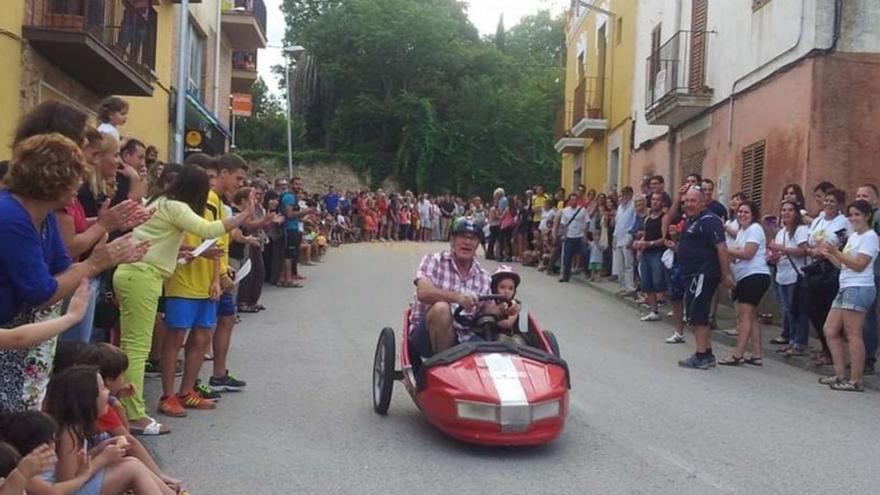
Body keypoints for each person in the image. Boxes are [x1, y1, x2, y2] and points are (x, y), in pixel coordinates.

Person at [0, 134, 147, 414]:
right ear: (55, 180)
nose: (80, 184)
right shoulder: (11, 218)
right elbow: (42, 293)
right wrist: (94, 264)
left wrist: (103, 254)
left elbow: (61, 267)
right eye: (77, 176)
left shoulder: (41, 215)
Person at [112, 164, 253, 435]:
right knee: (137, 349)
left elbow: (157, 241)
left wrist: (181, 253)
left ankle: (127, 409)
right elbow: (209, 229)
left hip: (134, 274)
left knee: (132, 346)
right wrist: (244, 214)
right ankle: (134, 414)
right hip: (143, 276)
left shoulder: (160, 201)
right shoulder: (175, 206)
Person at [45, 366, 177, 494]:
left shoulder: (75, 426)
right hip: (68, 491)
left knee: (131, 462)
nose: (108, 392)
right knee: (132, 468)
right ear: (87, 399)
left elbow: (76, 465)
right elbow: (67, 480)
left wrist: (101, 448)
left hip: (74, 486)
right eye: (102, 388)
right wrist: (103, 458)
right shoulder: (69, 432)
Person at [817, 200, 879, 391]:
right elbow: (843, 265)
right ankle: (840, 374)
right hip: (846, 285)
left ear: (867, 216)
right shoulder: (853, 237)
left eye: (857, 214)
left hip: (859, 287)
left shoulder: (870, 237)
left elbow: (859, 265)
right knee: (830, 329)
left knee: (853, 333)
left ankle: (856, 380)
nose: (853, 218)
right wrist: (829, 255)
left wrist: (835, 251)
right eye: (851, 215)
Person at [669, 187, 734, 369]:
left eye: (693, 201)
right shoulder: (692, 220)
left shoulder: (709, 220)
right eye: (686, 201)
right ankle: (707, 353)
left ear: (703, 202)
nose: (688, 204)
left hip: (703, 273)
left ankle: (701, 356)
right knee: (697, 314)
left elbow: (721, 248)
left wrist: (726, 274)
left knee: (698, 314)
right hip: (692, 274)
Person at [409, 218, 493, 357]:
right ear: (452, 240)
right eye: (462, 236)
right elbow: (423, 293)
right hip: (426, 335)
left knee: (496, 352)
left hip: (465, 337)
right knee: (441, 309)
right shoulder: (433, 261)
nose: (467, 242)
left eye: (472, 238)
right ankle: (443, 364)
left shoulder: (483, 276)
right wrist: (457, 298)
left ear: (478, 243)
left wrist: (506, 309)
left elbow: (488, 309)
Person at [718, 200, 772, 366]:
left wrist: (725, 250)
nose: (742, 214)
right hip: (746, 277)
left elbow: (748, 253)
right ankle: (756, 354)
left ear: (753, 215)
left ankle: (738, 354)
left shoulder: (755, 229)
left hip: (754, 276)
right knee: (752, 316)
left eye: (746, 212)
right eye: (740, 212)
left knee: (744, 317)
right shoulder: (742, 231)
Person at [805, 188, 852, 366]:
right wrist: (813, 250)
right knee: (813, 310)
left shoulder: (844, 223)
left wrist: (824, 251)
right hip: (816, 267)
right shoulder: (818, 220)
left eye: (832, 201)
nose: (828, 204)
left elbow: (842, 243)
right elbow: (810, 241)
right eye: (826, 200)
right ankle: (825, 347)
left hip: (831, 268)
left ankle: (832, 352)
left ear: (839, 204)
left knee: (827, 310)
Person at [767, 201, 810, 356]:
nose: (786, 213)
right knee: (787, 310)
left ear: (796, 213)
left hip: (796, 275)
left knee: (797, 310)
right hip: (781, 274)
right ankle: (791, 340)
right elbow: (777, 254)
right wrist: (773, 257)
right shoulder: (781, 232)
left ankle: (800, 342)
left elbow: (804, 251)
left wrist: (782, 249)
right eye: (784, 210)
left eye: (790, 210)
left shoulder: (801, 230)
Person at [855, 184, 880, 374]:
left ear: (876, 200)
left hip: (874, 273)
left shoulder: (876, 218)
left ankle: (868, 359)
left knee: (867, 317)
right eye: (858, 195)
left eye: (865, 196)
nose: (860, 199)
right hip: (863, 273)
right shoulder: (859, 219)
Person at [634, 192, 666, 321]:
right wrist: (639, 245)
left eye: (658, 200)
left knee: (658, 281)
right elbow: (645, 235)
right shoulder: (647, 218)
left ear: (662, 202)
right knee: (647, 282)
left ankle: (664, 300)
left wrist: (649, 243)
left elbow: (664, 238)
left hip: (658, 253)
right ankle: (654, 310)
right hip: (646, 253)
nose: (655, 202)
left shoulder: (664, 217)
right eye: (653, 199)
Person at [489, 265, 524, 345]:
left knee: (501, 338)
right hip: (486, 337)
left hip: (508, 339)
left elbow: (508, 323)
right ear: (494, 288)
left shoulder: (514, 305)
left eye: (510, 288)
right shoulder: (489, 302)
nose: (507, 291)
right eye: (502, 287)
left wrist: (488, 319)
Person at [558, 194, 589, 283]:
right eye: (572, 200)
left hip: (580, 235)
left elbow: (587, 222)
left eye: (575, 200)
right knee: (567, 257)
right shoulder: (565, 211)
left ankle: (587, 272)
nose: (573, 202)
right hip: (569, 236)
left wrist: (585, 235)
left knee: (584, 254)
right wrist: (563, 235)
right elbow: (563, 224)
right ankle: (566, 276)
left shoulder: (582, 210)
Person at [612, 187, 637, 294]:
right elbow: (617, 224)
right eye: (623, 194)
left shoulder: (633, 206)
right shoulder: (620, 207)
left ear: (631, 194)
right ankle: (622, 286)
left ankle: (630, 287)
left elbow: (634, 222)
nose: (624, 196)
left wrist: (630, 238)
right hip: (618, 237)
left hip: (627, 237)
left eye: (626, 194)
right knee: (619, 264)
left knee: (628, 264)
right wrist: (614, 237)